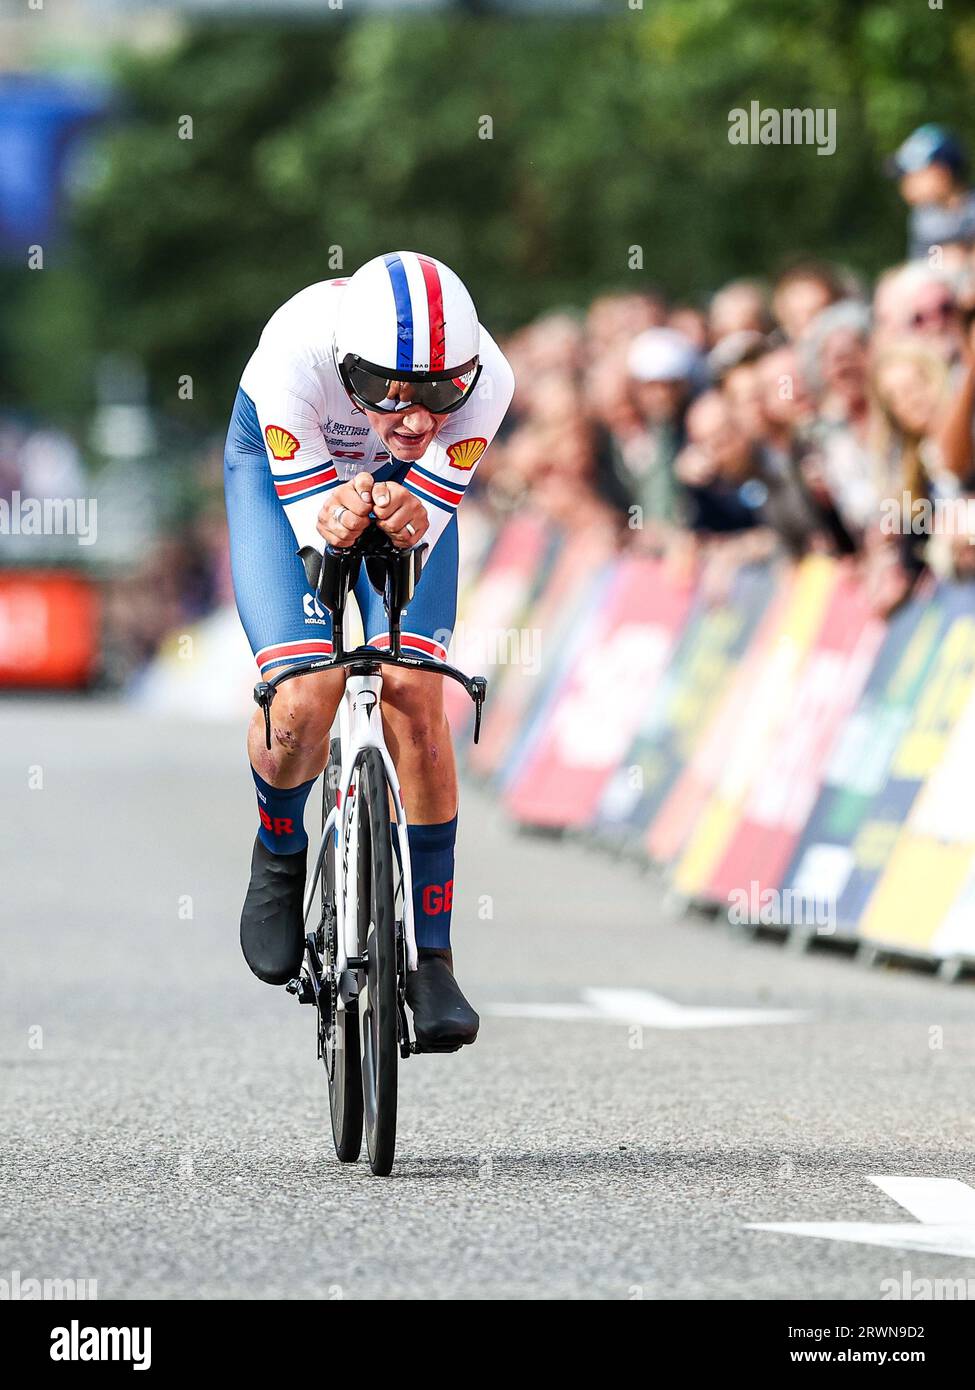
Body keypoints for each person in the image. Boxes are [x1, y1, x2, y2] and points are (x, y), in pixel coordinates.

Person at [223, 251, 514, 1051]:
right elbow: (320, 525)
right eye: (390, 388)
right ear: (347, 367)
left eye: (439, 391)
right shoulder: (292, 354)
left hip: (394, 485)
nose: (417, 416)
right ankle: (280, 848)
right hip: (281, 471)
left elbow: (422, 519)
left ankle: (434, 958)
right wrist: (344, 504)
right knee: (306, 693)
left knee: (414, 692)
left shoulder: (491, 381)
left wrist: (403, 499)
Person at [888, 124, 975, 263]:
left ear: (942, 173)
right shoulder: (924, 218)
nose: (906, 184)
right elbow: (922, 266)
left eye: (914, 175)